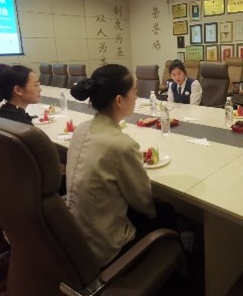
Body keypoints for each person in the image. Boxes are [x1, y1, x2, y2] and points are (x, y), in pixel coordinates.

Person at [66, 64, 176, 268]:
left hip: (75, 236)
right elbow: (143, 203)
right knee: (168, 212)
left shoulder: (81, 129)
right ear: (119, 100)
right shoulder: (121, 145)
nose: (137, 96)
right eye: (134, 91)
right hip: (104, 248)